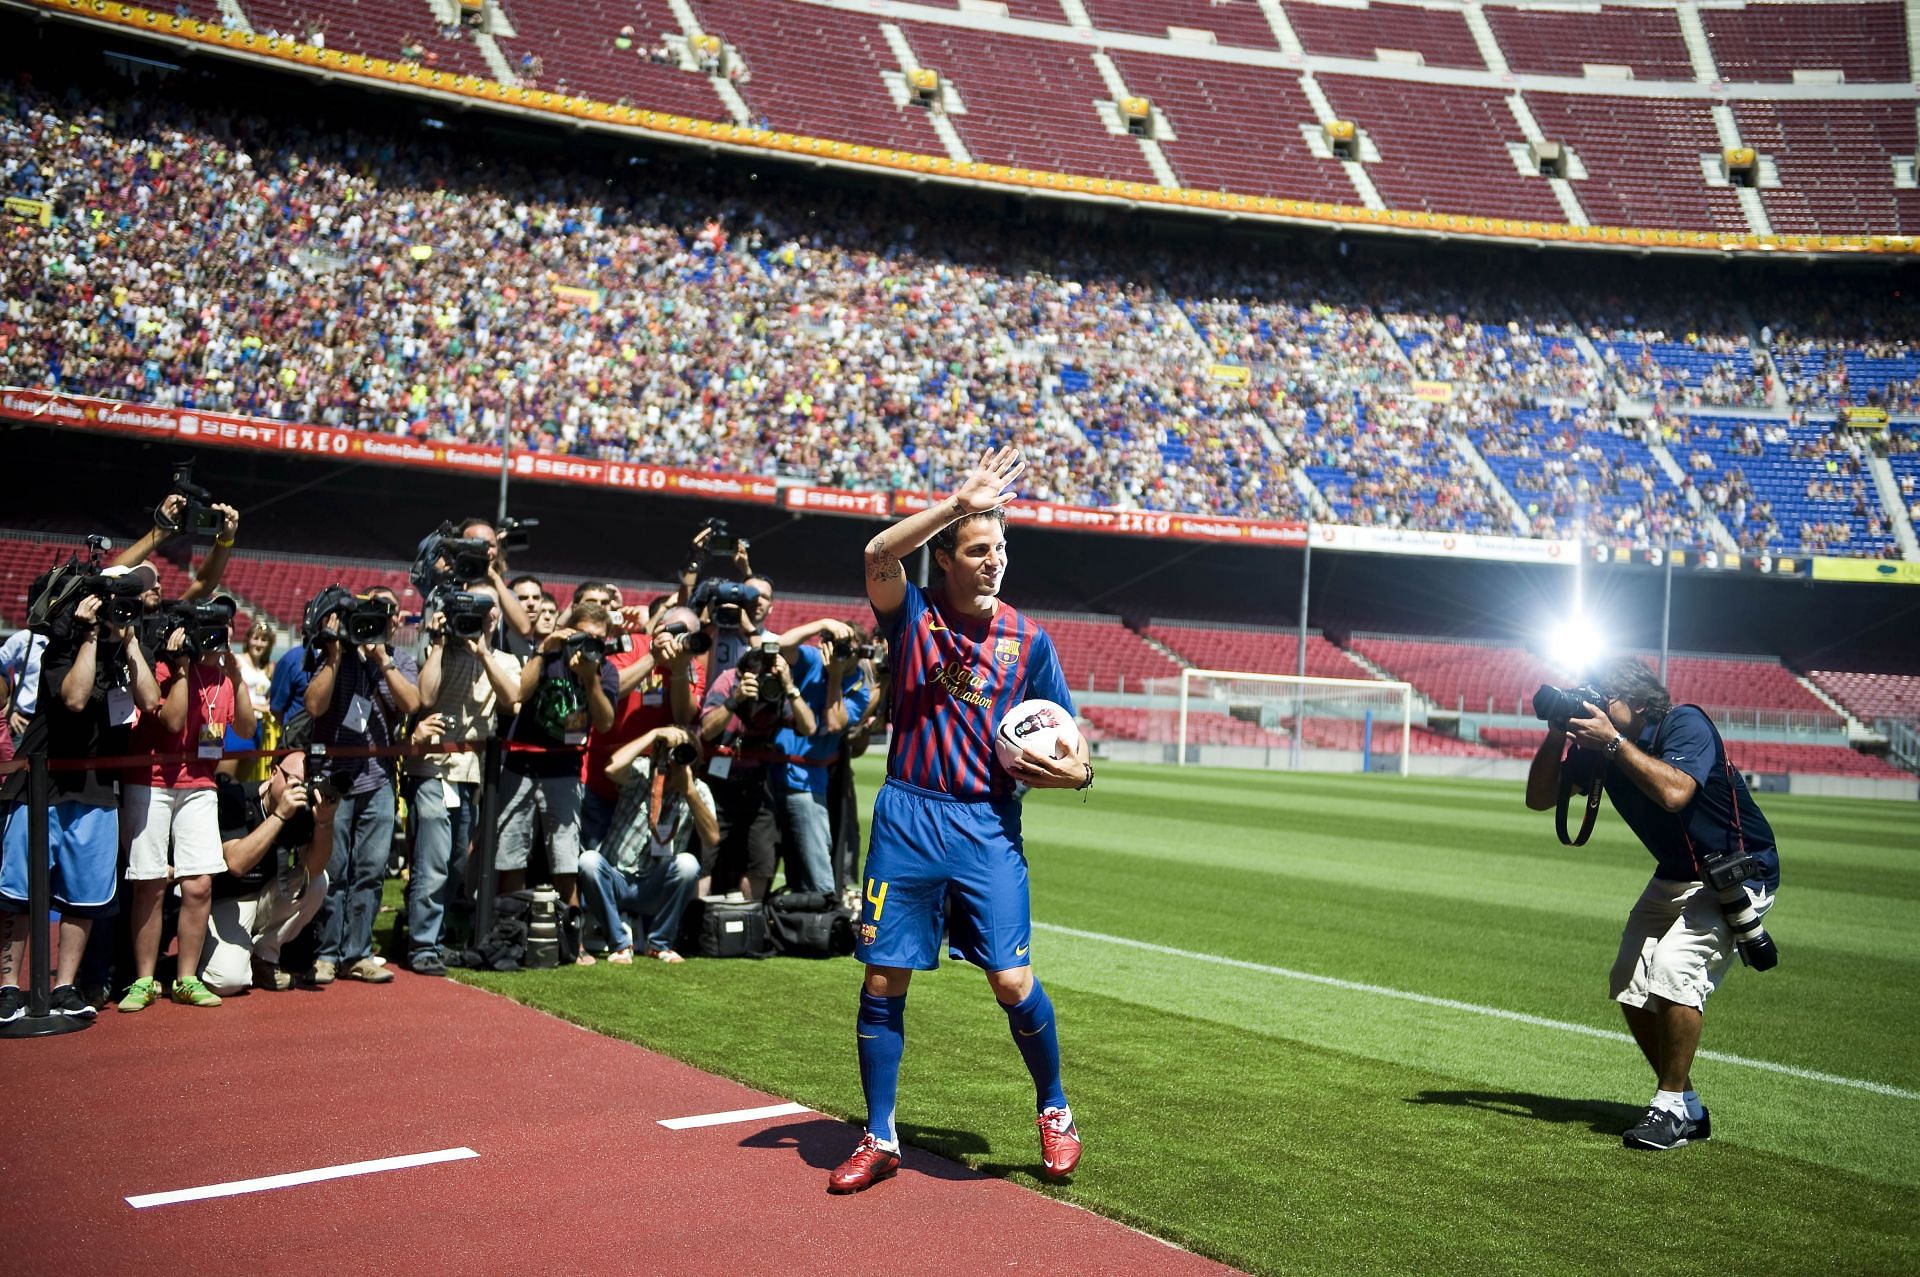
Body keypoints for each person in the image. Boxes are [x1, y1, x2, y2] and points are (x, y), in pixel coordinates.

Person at [830, 448, 1092, 1194]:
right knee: (885, 979)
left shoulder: (1028, 640)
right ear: (943, 557)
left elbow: (1069, 737)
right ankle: (880, 1135)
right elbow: (880, 552)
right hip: (909, 818)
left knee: (1012, 980)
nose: (993, 562)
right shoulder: (912, 617)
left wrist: (1080, 770)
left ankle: (1055, 1106)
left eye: (1000, 549)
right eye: (978, 550)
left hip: (986, 826)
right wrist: (955, 503)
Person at [1525, 657, 1781, 1152]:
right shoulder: (1599, 744)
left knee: (1672, 967)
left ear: (1638, 702)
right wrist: (1558, 735)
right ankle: (1687, 1104)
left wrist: (1614, 744)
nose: (1593, 705)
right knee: (1629, 979)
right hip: (1676, 873)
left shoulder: (1684, 722)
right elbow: (1539, 799)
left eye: (1604, 697)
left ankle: (1667, 1109)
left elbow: (1675, 793)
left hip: (1737, 868)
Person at [0, 576, 163, 1022]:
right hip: (40, 782)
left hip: (95, 788)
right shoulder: (60, 644)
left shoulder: (131, 650)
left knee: (84, 896)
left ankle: (65, 986)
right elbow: (73, 698)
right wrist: (89, 635)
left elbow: (150, 700)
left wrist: (129, 644)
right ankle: (8, 988)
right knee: (19, 892)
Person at [120, 605, 258, 1011]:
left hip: (200, 784)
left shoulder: (224, 678)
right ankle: (144, 979)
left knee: (199, 884)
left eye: (223, 630)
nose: (217, 637)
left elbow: (248, 729)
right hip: (152, 781)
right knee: (149, 882)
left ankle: (186, 978)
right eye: (209, 631)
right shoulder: (163, 665)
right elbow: (173, 722)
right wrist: (181, 667)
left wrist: (237, 676)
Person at [305, 586, 421, 984]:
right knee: (332, 870)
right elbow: (314, 706)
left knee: (370, 871)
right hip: (334, 775)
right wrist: (336, 655)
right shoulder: (330, 656)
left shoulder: (398, 660)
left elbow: (412, 704)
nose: (375, 618)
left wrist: (382, 659)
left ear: (395, 619)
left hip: (378, 778)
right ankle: (325, 953)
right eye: (367, 609)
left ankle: (358, 952)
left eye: (383, 611)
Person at [406, 588, 520, 974]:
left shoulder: (503, 659)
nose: (481, 615)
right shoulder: (439, 649)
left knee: (456, 862)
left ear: (497, 617)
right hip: (433, 769)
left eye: (487, 610)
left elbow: (512, 699)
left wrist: (483, 651)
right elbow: (424, 695)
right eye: (471, 609)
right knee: (433, 860)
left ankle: (435, 939)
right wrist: (439, 642)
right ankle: (422, 945)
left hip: (471, 775)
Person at [496, 600, 619, 910]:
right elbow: (519, 695)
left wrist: (591, 679)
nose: (587, 644)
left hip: (564, 770)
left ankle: (571, 937)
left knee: (565, 860)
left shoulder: (606, 670)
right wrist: (543, 650)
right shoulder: (547, 657)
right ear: (568, 631)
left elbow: (604, 723)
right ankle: (509, 929)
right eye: (581, 635)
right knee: (511, 855)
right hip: (520, 766)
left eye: (596, 638)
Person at [200, 748, 337, 994]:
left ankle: (264, 957)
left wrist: (324, 822)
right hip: (227, 901)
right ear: (274, 773)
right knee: (228, 981)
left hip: (266, 897)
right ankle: (214, 957)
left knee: (317, 881)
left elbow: (315, 868)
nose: (300, 790)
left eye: (306, 784)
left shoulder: (303, 809)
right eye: (295, 781)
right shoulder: (237, 796)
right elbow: (236, 864)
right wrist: (280, 815)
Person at [576, 725, 715, 965]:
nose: (673, 762)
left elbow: (712, 838)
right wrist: (653, 735)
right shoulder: (642, 772)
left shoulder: (698, 790)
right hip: (617, 877)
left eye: (681, 755)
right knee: (588, 861)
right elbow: (611, 768)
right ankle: (620, 945)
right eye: (670, 753)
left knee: (688, 864)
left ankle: (659, 944)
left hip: (654, 884)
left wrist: (689, 791)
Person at [697, 637, 813, 902]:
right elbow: (707, 730)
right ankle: (696, 920)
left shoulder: (778, 688)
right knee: (707, 853)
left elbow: (809, 728)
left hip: (757, 783)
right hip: (717, 781)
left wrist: (789, 687)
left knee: (762, 855)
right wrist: (734, 700)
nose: (763, 685)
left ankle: (751, 920)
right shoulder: (729, 682)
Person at [772, 618, 871, 895]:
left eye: (847, 647)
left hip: (807, 782)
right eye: (836, 644)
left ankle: (826, 923)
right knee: (765, 864)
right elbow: (779, 645)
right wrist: (823, 623)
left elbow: (834, 723)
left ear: (860, 651)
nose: (840, 652)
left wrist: (835, 675)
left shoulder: (858, 688)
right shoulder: (811, 658)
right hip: (772, 772)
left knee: (817, 870)